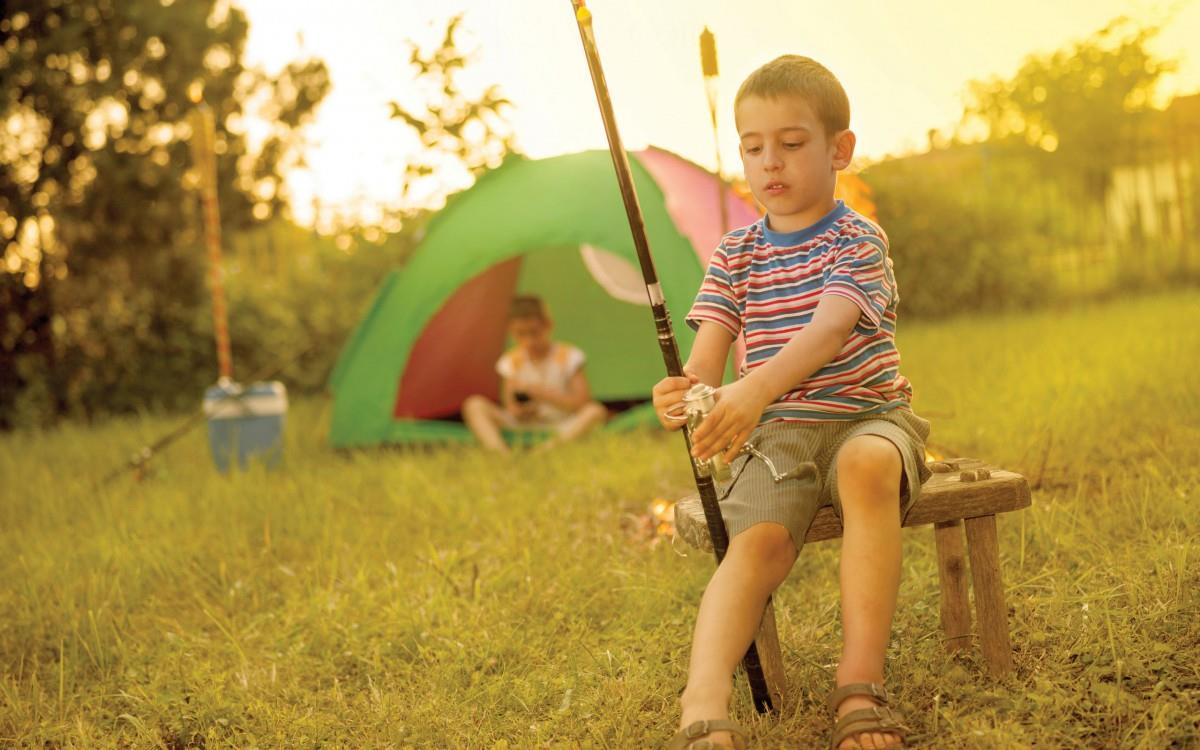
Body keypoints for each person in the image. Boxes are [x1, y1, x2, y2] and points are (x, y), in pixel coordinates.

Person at [655, 55, 930, 750]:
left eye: (792, 143)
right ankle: (704, 697)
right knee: (762, 544)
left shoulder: (857, 240)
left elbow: (829, 330)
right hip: (778, 435)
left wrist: (750, 390)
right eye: (753, 148)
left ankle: (859, 684)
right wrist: (686, 395)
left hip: (867, 414)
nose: (770, 162)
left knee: (870, 466)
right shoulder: (736, 254)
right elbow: (707, 359)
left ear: (839, 149)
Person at [462, 295, 608, 453]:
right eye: (521, 334)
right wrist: (521, 411)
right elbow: (510, 407)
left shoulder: (569, 356)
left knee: (595, 411)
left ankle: (545, 451)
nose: (529, 341)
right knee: (474, 405)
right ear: (511, 331)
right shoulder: (511, 361)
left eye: (534, 333)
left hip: (562, 423)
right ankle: (501, 454)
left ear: (548, 325)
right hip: (524, 425)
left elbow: (581, 403)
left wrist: (544, 395)